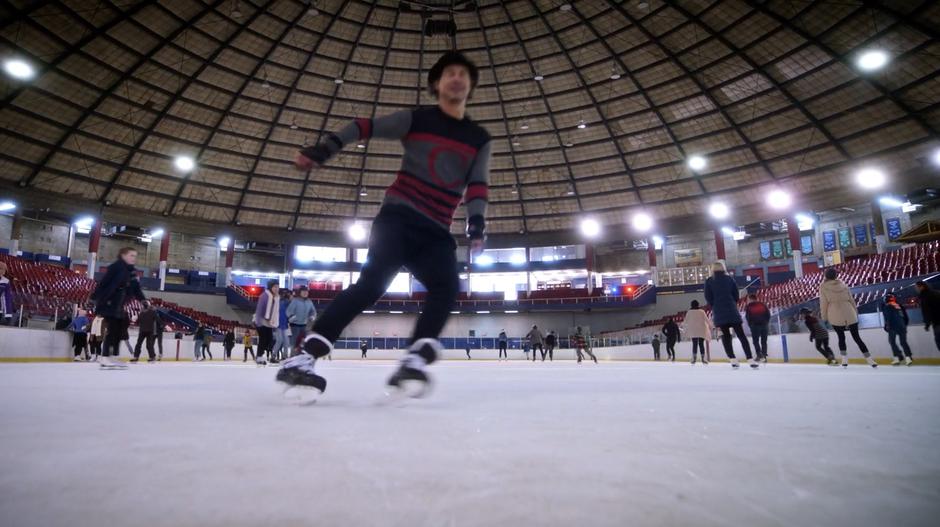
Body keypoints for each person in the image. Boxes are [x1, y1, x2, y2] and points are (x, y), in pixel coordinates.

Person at [278, 50, 490, 401]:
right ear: (436, 84)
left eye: (463, 74)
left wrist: (477, 225)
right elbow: (364, 126)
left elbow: (478, 184)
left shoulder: (478, 138)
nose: (457, 78)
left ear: (470, 85)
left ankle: (415, 359)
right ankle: (303, 359)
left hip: (436, 232)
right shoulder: (417, 119)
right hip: (397, 219)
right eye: (449, 73)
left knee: (447, 286)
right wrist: (324, 150)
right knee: (371, 284)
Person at [90, 247, 146, 370]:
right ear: (123, 255)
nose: (134, 258)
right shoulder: (116, 267)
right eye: (131, 255)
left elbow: (136, 288)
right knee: (113, 330)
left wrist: (143, 300)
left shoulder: (130, 271)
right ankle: (105, 357)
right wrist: (94, 298)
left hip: (119, 304)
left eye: (135, 256)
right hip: (109, 302)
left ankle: (113, 356)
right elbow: (104, 283)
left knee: (119, 331)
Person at [819, 268, 877, 368]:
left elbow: (824, 303)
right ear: (836, 275)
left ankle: (844, 361)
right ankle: (870, 360)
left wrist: (824, 317)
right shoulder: (843, 285)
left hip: (835, 313)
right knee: (857, 338)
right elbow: (852, 300)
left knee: (841, 337)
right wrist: (855, 313)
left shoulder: (823, 287)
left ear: (826, 276)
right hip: (849, 312)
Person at [704, 261, 758, 369]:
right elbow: (736, 295)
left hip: (719, 312)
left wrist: (715, 305)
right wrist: (731, 302)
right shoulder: (729, 279)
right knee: (741, 335)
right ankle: (750, 359)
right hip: (731, 310)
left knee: (726, 336)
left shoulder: (709, 281)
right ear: (723, 268)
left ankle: (733, 359)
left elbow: (708, 297)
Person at [880, 293, 913, 366]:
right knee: (903, 342)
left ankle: (898, 357)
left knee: (892, 341)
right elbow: (905, 317)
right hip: (902, 326)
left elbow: (888, 317)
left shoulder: (887, 306)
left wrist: (887, 325)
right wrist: (904, 325)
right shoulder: (899, 306)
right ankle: (908, 357)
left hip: (893, 326)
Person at [253, 280, 280, 366]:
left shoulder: (276, 297)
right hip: (261, 320)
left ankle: (259, 356)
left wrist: (274, 321)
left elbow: (276, 311)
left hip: (269, 322)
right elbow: (259, 309)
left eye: (277, 287)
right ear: (270, 287)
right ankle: (259, 357)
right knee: (263, 339)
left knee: (269, 340)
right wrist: (259, 322)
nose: (276, 289)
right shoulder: (264, 296)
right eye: (275, 287)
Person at [286, 286, 316, 356]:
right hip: (295, 325)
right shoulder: (295, 300)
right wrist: (292, 317)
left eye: (306, 291)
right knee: (294, 342)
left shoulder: (309, 301)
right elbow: (288, 311)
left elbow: (313, 311)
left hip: (304, 325)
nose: (305, 293)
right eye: (303, 291)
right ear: (300, 292)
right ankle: (292, 356)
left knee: (302, 342)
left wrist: (312, 316)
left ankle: (299, 356)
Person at [682, 300, 711, 365]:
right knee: (701, 344)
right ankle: (703, 358)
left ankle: (694, 358)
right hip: (702, 330)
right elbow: (707, 320)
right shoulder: (702, 311)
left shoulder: (689, 312)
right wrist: (711, 326)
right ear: (698, 305)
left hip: (693, 330)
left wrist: (683, 327)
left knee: (694, 344)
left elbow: (685, 321)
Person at [744, 294, 771, 363]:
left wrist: (751, 325)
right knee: (764, 341)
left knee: (755, 341)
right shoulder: (763, 304)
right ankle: (764, 356)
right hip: (764, 325)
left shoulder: (749, 306)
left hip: (755, 326)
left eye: (748, 299)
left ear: (750, 299)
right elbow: (768, 314)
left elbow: (748, 318)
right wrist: (766, 323)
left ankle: (759, 355)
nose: (747, 301)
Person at [915, 280, 940, 351]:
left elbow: (926, 311)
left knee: (938, 340)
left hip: (937, 322)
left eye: (917, 287)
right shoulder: (936, 292)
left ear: (921, 287)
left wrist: (927, 324)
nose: (916, 289)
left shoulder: (924, 296)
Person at [272, 290, 292, 363]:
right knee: (280, 340)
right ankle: (273, 356)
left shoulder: (285, 302)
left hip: (284, 325)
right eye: (282, 294)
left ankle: (284, 357)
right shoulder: (281, 302)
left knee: (286, 342)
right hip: (279, 325)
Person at [0, 261, 15, 326]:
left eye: (4, 269)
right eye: (1, 269)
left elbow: (6, 298)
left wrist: (8, 314)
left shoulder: (6, 281)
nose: (3, 271)